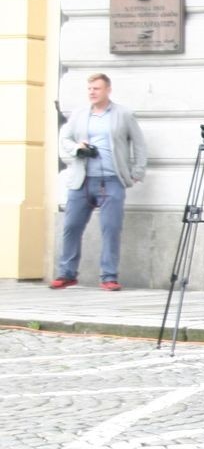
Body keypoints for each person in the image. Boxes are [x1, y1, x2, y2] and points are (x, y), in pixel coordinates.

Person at [52, 73, 149, 291]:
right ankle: (67, 273)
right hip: (82, 180)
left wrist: (137, 171)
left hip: (111, 180)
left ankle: (109, 276)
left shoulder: (123, 114)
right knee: (71, 226)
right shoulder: (79, 114)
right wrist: (77, 148)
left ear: (107, 90)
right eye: (89, 89)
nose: (92, 92)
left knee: (110, 229)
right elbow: (64, 139)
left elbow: (139, 144)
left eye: (96, 88)